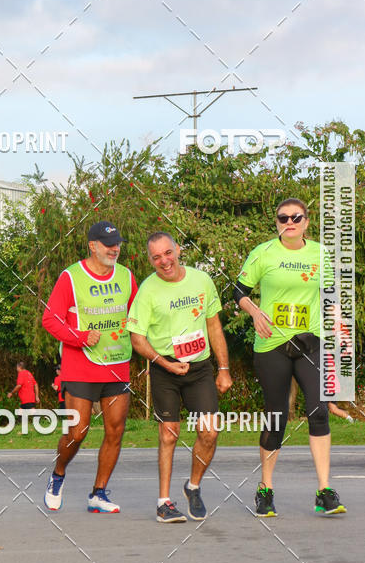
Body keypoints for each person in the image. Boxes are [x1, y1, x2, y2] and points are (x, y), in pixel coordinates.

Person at [234, 198, 347, 517]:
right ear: (277, 223)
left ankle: (325, 492)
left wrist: (339, 338)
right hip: (272, 346)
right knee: (276, 417)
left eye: (296, 217)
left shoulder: (321, 254)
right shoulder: (263, 253)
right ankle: (265, 490)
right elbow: (238, 291)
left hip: (311, 343)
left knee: (319, 411)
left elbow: (332, 299)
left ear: (306, 222)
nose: (289, 222)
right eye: (283, 218)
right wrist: (255, 312)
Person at [128, 232, 233, 523]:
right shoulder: (147, 291)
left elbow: (214, 326)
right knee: (169, 432)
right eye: (156, 257)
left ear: (178, 250)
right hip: (165, 369)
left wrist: (223, 368)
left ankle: (193, 486)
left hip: (199, 368)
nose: (164, 261)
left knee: (210, 432)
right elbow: (137, 339)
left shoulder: (202, 281)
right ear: (150, 260)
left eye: (167, 253)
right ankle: (164, 503)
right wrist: (164, 363)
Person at [41, 221, 137, 513]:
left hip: (117, 364)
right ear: (92, 246)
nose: (114, 249)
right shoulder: (71, 277)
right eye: (108, 244)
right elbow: (50, 320)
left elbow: (137, 316)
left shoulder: (126, 276)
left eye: (117, 244)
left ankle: (98, 493)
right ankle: (58, 474)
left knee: (115, 431)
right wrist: (80, 337)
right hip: (81, 366)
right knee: (78, 431)